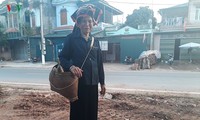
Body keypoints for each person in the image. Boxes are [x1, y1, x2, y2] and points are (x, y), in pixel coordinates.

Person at [58, 4, 106, 120]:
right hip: (78, 84)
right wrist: (71, 67)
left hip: (93, 84)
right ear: (78, 24)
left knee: (91, 112)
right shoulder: (71, 39)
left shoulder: (95, 42)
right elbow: (62, 58)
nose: (87, 24)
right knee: (78, 113)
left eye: (89, 21)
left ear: (93, 23)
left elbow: (99, 63)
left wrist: (102, 83)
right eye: (83, 21)